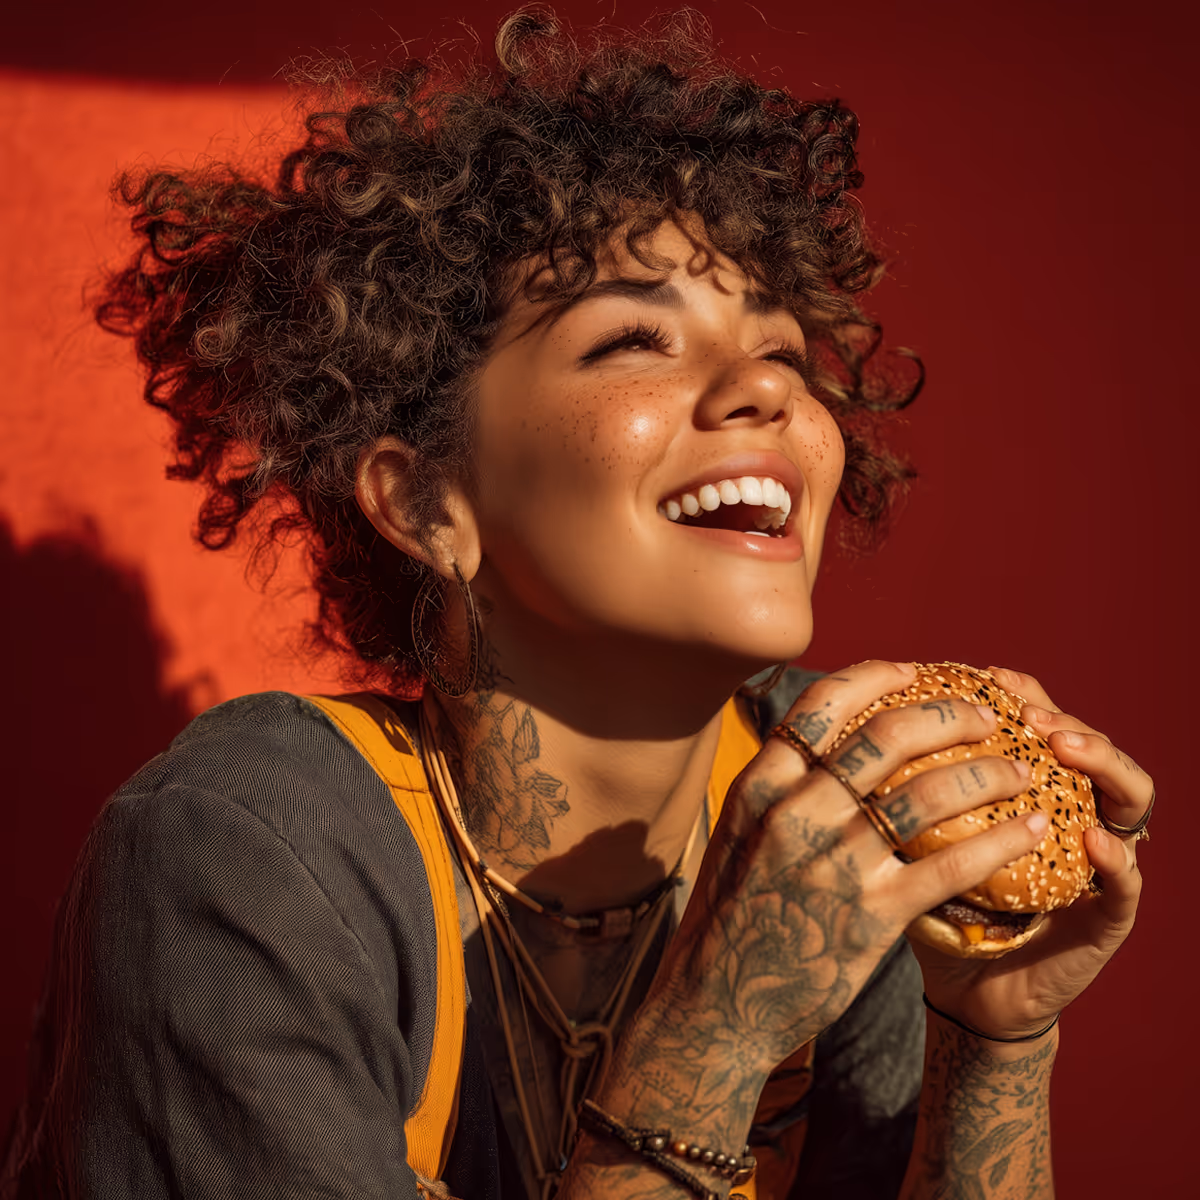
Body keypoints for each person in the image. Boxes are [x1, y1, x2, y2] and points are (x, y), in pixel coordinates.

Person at [1, 9, 1151, 1199]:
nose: (766, 384)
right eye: (636, 341)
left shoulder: (840, 811)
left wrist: (1000, 1040)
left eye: (788, 356)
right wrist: (718, 1030)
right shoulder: (243, 853)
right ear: (427, 500)